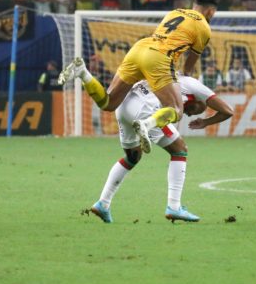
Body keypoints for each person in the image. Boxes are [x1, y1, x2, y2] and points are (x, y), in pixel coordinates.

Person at [58, 0, 218, 154]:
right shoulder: (204, 28)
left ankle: (83, 72)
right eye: (213, 12)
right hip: (159, 57)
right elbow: (188, 67)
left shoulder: (175, 12)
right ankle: (147, 124)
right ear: (210, 10)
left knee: (109, 103)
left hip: (140, 48)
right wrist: (185, 83)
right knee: (176, 110)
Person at [88, 74, 233, 224]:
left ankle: (103, 203)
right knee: (179, 149)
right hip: (145, 108)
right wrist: (206, 122)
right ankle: (174, 206)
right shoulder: (195, 86)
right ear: (199, 100)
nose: (189, 114)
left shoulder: (176, 80)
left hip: (124, 106)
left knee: (133, 157)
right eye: (194, 110)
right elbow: (228, 111)